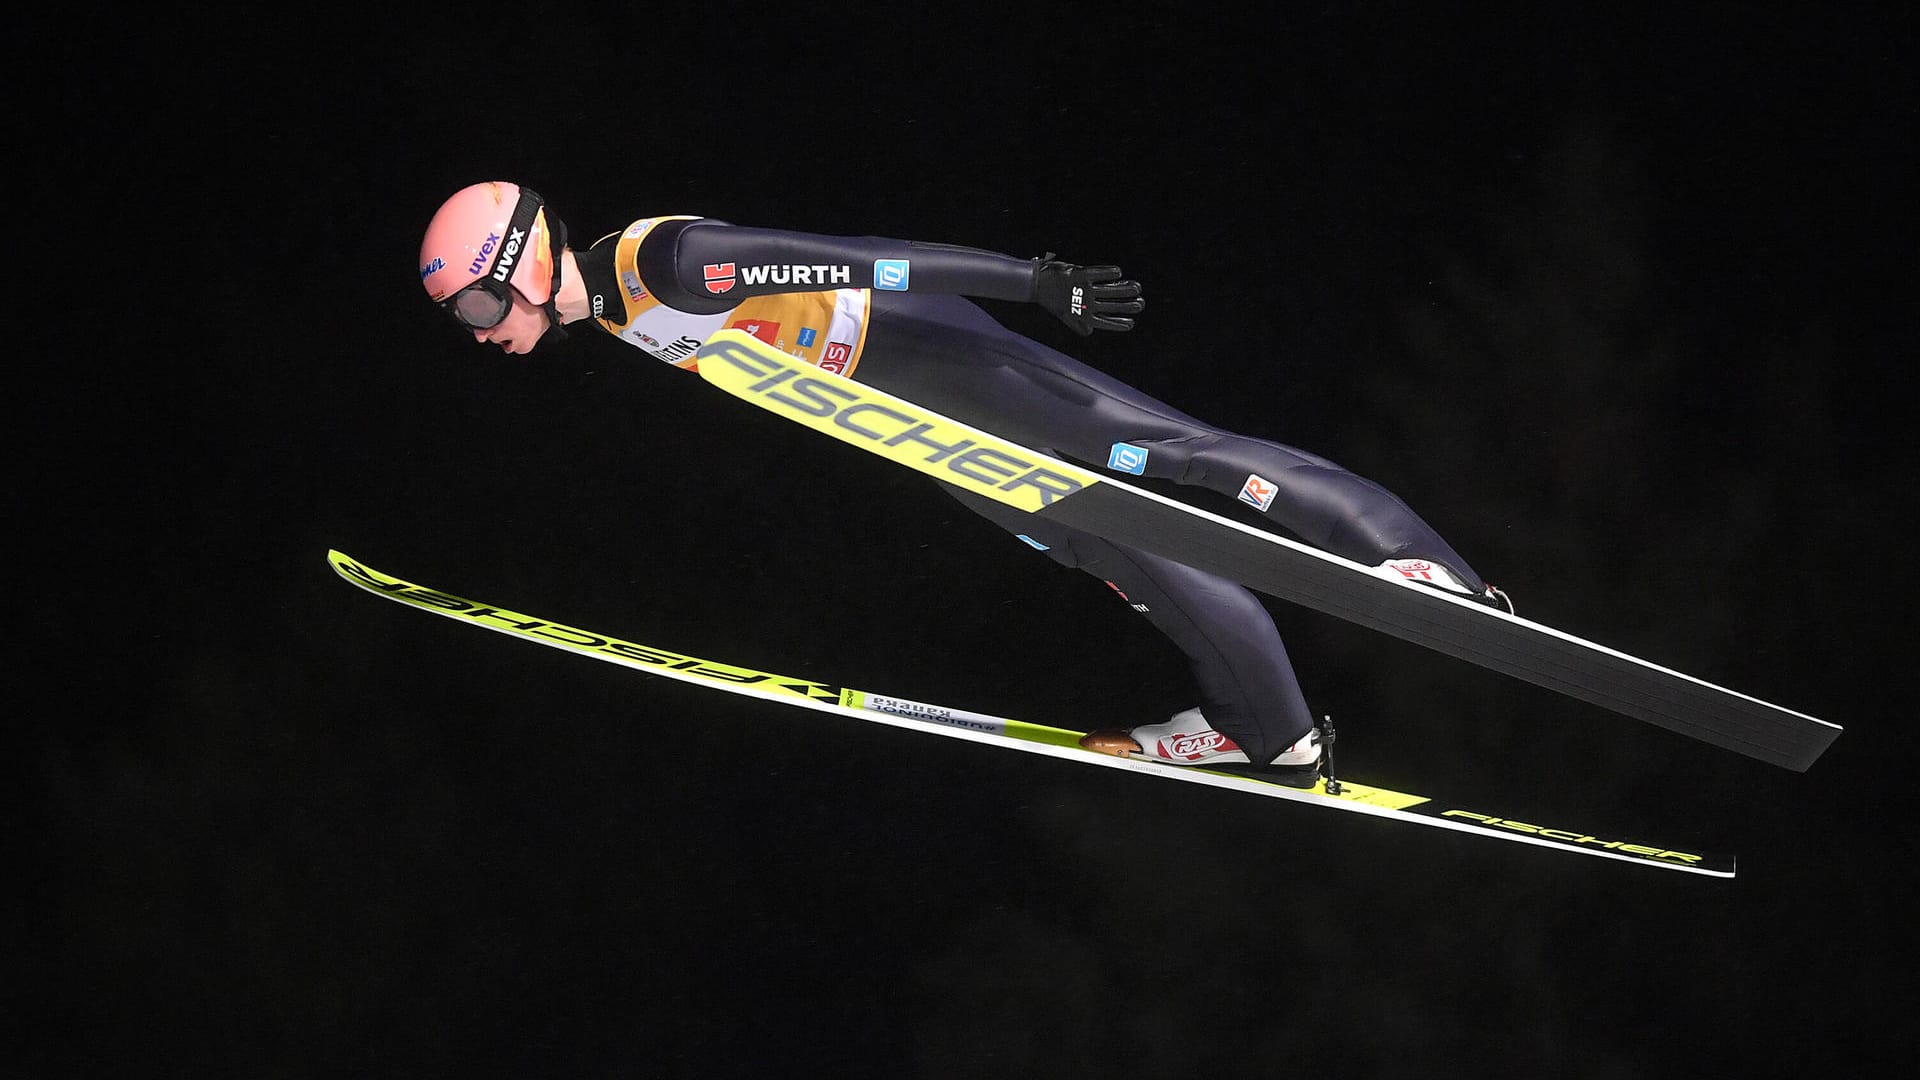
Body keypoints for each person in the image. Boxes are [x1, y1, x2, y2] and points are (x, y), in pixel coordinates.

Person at [417, 180, 1508, 785]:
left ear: (519, 264)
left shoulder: (654, 264)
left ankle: (1417, 568)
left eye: (474, 310)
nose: (477, 337)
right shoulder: (613, 312)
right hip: (914, 423)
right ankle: (1269, 731)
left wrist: (1029, 282)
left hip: (936, 360)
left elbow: (854, 260)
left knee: (1173, 457)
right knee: (1110, 544)